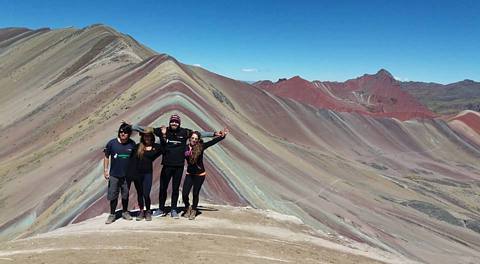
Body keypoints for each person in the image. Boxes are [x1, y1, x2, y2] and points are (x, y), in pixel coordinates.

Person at [132, 114, 222, 218]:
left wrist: (214, 133)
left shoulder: (185, 132)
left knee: (175, 189)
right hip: (166, 165)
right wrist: (131, 127)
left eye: (176, 122)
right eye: (172, 121)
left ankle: (173, 209)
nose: (174, 123)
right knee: (163, 188)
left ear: (179, 123)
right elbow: (147, 129)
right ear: (169, 122)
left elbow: (199, 134)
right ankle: (161, 209)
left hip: (179, 166)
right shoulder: (162, 130)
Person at [183, 129, 228, 220]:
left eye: (196, 138)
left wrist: (222, 136)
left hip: (200, 175)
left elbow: (212, 142)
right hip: (190, 174)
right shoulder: (185, 147)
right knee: (184, 193)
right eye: (192, 138)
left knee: (195, 193)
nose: (194, 140)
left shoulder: (201, 147)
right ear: (189, 138)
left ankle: (194, 210)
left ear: (198, 139)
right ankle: (188, 207)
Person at [127, 127, 163, 221]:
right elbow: (131, 160)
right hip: (137, 174)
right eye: (145, 136)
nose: (147, 138)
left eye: (149, 136)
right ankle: (141, 211)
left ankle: (148, 211)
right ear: (142, 137)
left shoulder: (156, 147)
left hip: (148, 174)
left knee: (146, 193)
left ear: (152, 137)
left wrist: (160, 131)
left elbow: (163, 146)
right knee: (140, 193)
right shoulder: (138, 146)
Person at [103, 123, 136, 224]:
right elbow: (106, 156)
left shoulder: (132, 144)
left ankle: (125, 212)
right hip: (114, 175)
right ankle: (112, 214)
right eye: (121, 131)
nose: (123, 133)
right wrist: (105, 170)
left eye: (125, 132)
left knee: (125, 194)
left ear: (129, 134)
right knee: (113, 195)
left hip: (127, 175)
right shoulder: (111, 143)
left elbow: (134, 159)